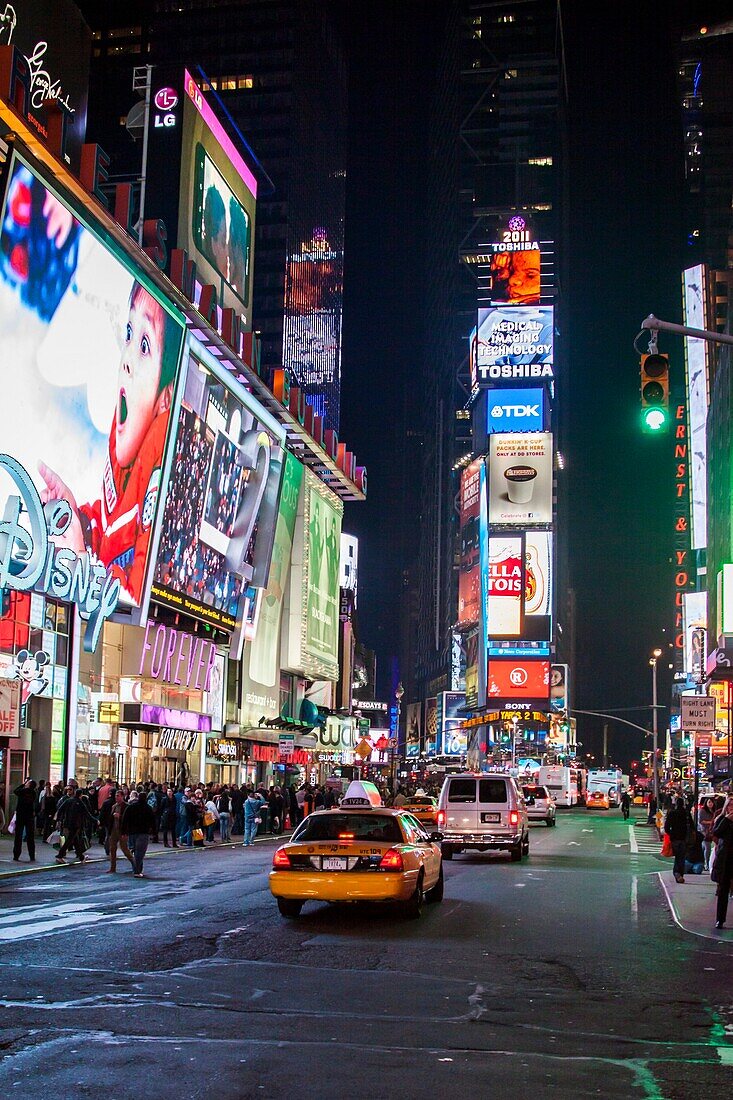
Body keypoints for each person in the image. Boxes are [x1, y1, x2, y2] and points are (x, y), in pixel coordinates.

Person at [38, 281, 180, 604]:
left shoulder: (161, 478)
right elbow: (111, 526)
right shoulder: (126, 441)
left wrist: (80, 562)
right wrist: (77, 518)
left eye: (144, 345)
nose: (126, 359)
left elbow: (135, 595)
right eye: (129, 333)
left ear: (165, 399)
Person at [120, 790, 156, 878]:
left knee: (135, 851)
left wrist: (123, 831)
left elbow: (125, 819)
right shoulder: (148, 808)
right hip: (143, 832)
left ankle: (137, 869)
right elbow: (153, 821)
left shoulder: (131, 807)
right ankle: (137, 870)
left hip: (132, 832)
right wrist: (154, 832)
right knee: (140, 852)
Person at [712, 797, 733, 929]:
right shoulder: (722, 818)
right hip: (725, 858)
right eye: (730, 805)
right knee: (723, 890)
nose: (732, 807)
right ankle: (720, 919)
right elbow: (716, 832)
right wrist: (727, 819)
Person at [56, 788, 91, 863]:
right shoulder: (80, 802)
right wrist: (95, 821)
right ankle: (60, 855)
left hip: (67, 823)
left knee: (75, 840)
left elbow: (60, 809)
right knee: (69, 840)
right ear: (81, 795)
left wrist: (58, 820)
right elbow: (87, 813)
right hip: (76, 824)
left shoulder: (68, 800)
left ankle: (81, 857)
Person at [104, 790, 134, 873]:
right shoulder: (114, 806)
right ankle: (112, 868)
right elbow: (110, 819)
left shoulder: (127, 806)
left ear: (122, 796)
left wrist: (119, 816)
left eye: (118, 796)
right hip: (113, 830)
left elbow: (129, 819)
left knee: (125, 849)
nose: (116, 797)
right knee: (112, 849)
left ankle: (135, 864)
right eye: (116, 796)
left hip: (122, 830)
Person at [665, 797, 693, 884]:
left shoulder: (672, 813)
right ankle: (679, 873)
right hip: (685, 838)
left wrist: (671, 834)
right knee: (682, 857)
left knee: (677, 856)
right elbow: (692, 826)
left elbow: (666, 827)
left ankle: (677, 873)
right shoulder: (686, 814)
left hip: (675, 838)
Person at [12, 779, 37, 862]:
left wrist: (23, 784)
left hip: (21, 816)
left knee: (18, 836)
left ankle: (16, 855)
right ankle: (32, 855)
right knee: (30, 837)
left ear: (28, 784)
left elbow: (15, 791)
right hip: (29, 817)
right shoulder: (33, 793)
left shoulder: (23, 791)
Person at [698, 797, 716, 871]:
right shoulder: (702, 811)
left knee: (704, 848)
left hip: (712, 831)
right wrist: (711, 822)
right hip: (704, 831)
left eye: (711, 802)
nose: (710, 804)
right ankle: (707, 864)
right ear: (706, 803)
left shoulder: (714, 811)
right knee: (707, 848)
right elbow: (701, 821)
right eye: (709, 802)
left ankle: (702, 862)